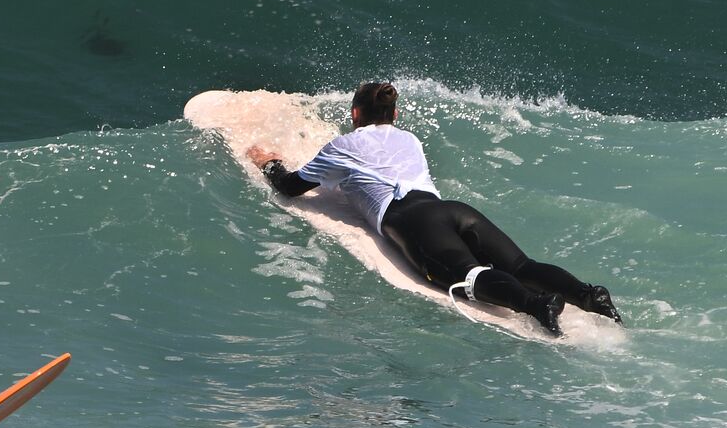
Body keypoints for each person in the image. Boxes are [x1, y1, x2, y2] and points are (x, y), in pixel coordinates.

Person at [246, 82, 621, 335]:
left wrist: (267, 161)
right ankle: (588, 294)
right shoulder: (409, 138)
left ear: (355, 115)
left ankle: (537, 304)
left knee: (466, 276)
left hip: (411, 220)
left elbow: (291, 187)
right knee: (522, 265)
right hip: (453, 210)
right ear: (394, 116)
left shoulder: (343, 147)